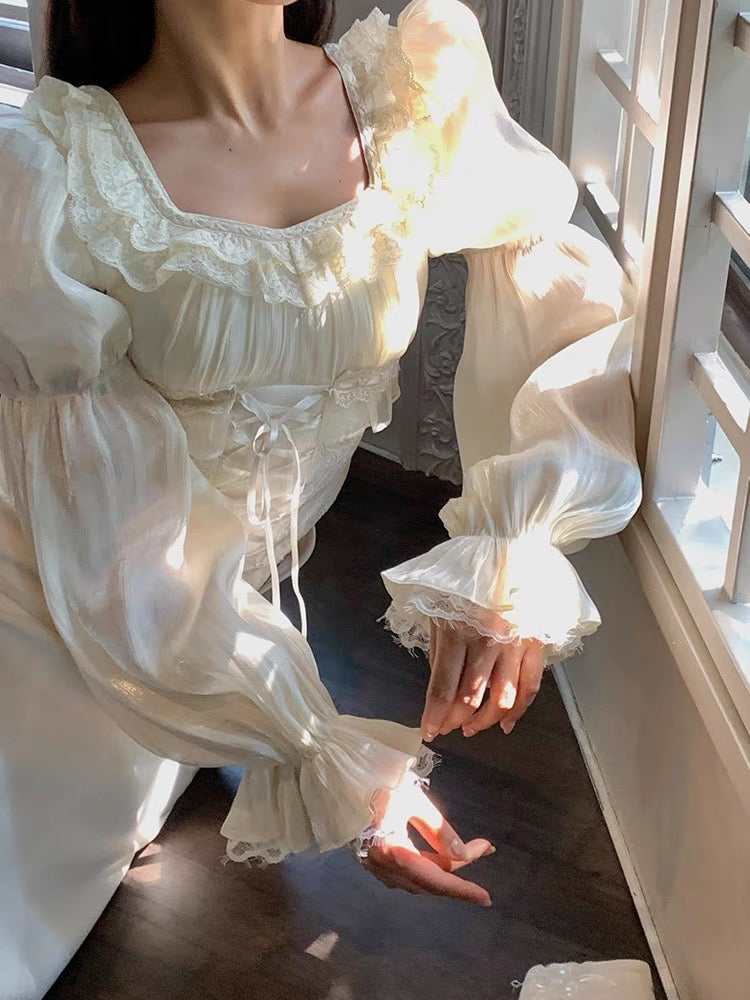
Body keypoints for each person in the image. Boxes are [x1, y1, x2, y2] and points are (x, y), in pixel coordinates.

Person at [0, 0, 642, 995]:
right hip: (65, 608)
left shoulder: (411, 91)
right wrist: (314, 747)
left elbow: (565, 295)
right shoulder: (55, 173)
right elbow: (112, 550)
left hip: (212, 635)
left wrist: (513, 545)